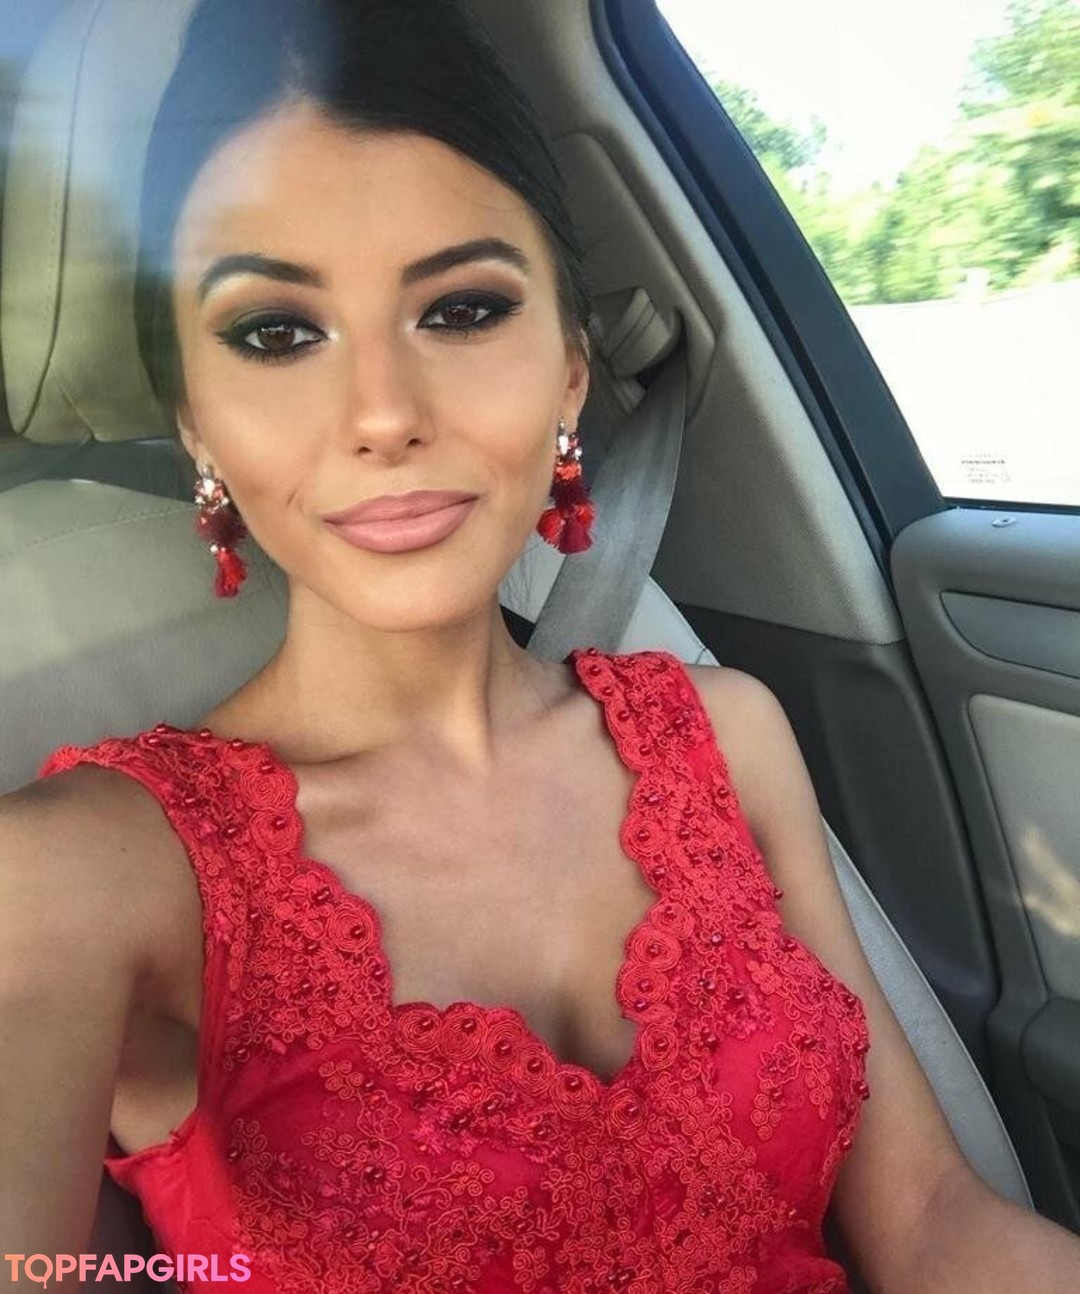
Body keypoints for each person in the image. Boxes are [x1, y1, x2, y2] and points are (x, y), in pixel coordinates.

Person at [1, 1, 1079, 1290]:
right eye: (275, 333)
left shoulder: (723, 735)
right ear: (197, 423)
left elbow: (933, 1224)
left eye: (462, 310)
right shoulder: (83, 876)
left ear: (570, 372)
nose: (384, 413)